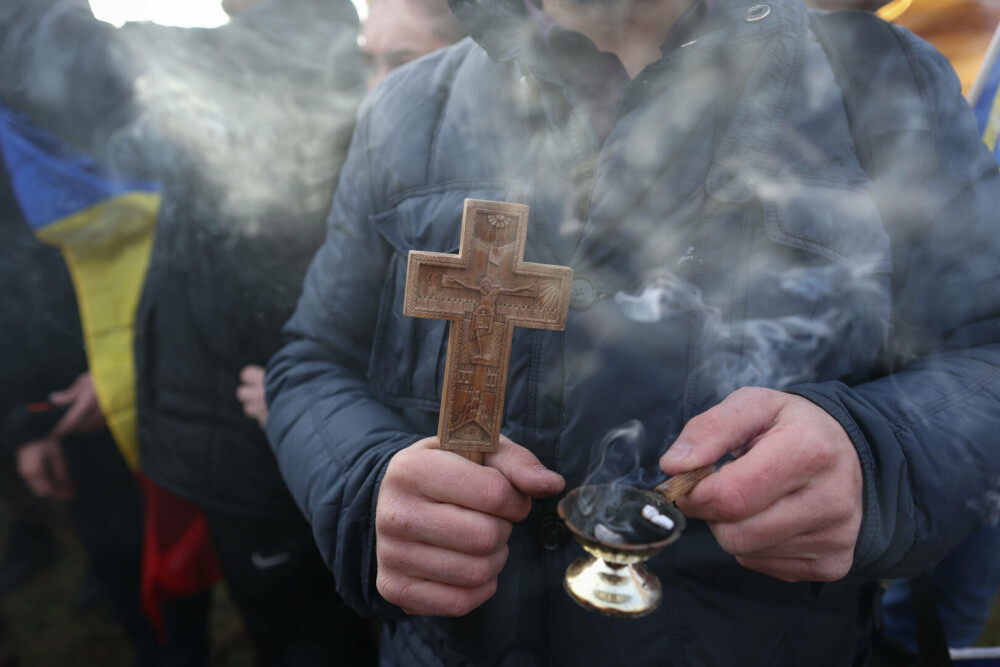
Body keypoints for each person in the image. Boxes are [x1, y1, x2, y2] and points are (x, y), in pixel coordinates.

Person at [264, 0, 1000, 664]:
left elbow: (986, 351)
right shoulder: (408, 107)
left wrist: (876, 455)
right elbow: (315, 361)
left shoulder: (882, 84)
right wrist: (366, 486)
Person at [0, 0, 374, 664]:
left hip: (263, 432)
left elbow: (57, 60)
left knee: (306, 633)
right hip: (228, 425)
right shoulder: (229, 57)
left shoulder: (281, 57)